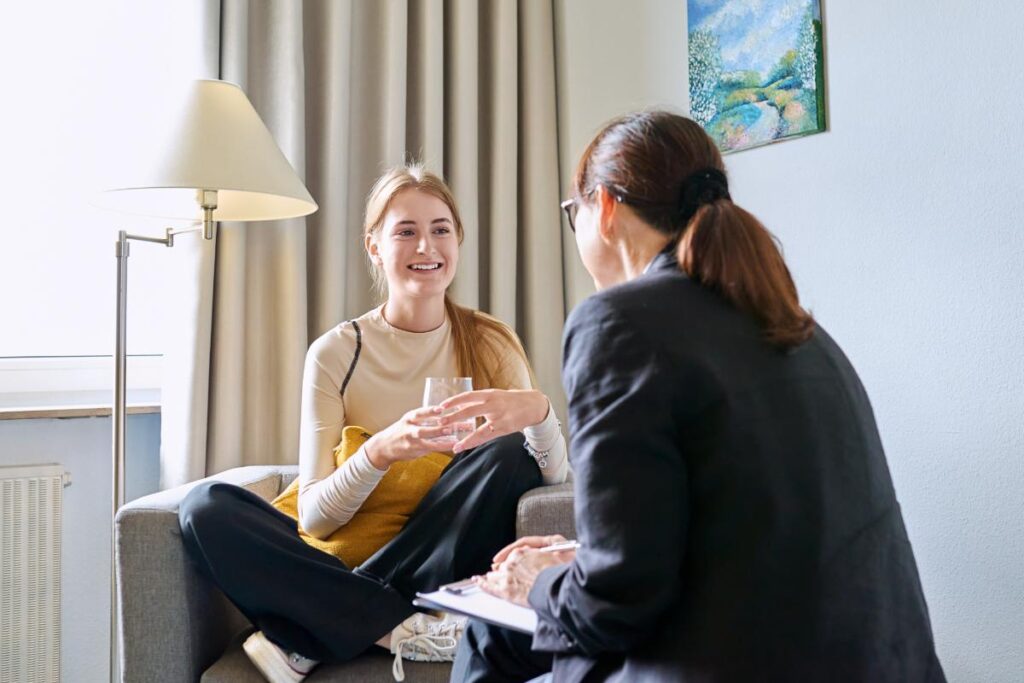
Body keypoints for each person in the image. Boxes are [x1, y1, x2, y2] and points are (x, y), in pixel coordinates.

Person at [451, 111, 945, 682]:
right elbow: (733, 530)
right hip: (884, 661)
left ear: (606, 208)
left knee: (488, 632)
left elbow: (618, 602)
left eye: (573, 214)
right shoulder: (797, 327)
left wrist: (535, 579)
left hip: (745, 662)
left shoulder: (616, 323)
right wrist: (579, 559)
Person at [178, 164, 569, 683]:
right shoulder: (337, 353)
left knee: (507, 454)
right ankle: (396, 628)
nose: (426, 247)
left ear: (458, 241)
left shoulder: (490, 341)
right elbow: (314, 518)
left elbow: (551, 487)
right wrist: (379, 452)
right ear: (375, 248)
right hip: (360, 573)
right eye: (406, 231)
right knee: (206, 508)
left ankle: (312, 632)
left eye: (440, 230)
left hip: (443, 558)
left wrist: (539, 414)